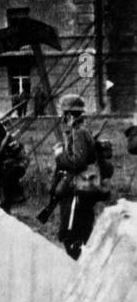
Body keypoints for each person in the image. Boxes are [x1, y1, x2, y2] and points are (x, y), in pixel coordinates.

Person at [52, 94, 101, 259]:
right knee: (79, 233)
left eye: (63, 113)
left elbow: (78, 161)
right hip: (80, 187)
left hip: (77, 189)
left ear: (69, 114)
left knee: (72, 236)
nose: (62, 117)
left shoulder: (78, 131)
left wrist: (59, 155)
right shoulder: (79, 130)